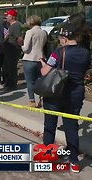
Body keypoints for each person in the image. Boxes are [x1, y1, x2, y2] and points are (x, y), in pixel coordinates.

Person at [40, 22, 91, 173]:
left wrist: (42, 63)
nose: (60, 40)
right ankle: (74, 162)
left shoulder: (58, 52)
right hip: (75, 95)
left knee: (49, 128)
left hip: (55, 95)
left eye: (61, 37)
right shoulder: (85, 53)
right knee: (72, 128)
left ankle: (47, 158)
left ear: (65, 38)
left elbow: (44, 72)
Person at [21, 15, 47, 108]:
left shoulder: (30, 32)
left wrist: (21, 45)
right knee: (40, 80)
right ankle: (42, 99)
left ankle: (32, 101)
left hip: (29, 58)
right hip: (41, 58)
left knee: (30, 81)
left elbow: (26, 48)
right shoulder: (44, 32)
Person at [3, 9, 23, 91]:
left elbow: (20, 38)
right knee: (7, 66)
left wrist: (19, 46)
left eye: (8, 15)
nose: (6, 17)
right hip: (8, 49)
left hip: (13, 50)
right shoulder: (11, 26)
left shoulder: (16, 26)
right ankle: (9, 82)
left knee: (11, 67)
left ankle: (12, 84)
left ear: (13, 17)